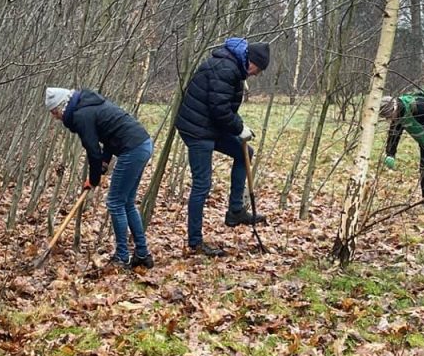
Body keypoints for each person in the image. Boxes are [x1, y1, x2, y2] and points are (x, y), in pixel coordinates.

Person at [175, 38, 270, 257]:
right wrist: (239, 128)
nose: (256, 74)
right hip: (197, 129)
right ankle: (195, 242)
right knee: (202, 184)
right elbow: (219, 109)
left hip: (210, 127)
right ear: (251, 61)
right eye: (258, 69)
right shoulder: (225, 69)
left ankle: (235, 211)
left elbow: (222, 106)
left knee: (245, 152)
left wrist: (239, 127)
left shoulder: (233, 67)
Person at [46, 87, 154, 270]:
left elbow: (93, 150)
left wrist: (94, 178)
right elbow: (110, 134)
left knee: (115, 202)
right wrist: (105, 161)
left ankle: (122, 256)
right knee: (126, 202)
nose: (55, 117)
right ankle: (142, 254)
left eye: (55, 112)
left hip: (132, 150)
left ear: (62, 106)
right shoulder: (90, 106)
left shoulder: (81, 116)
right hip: (143, 144)